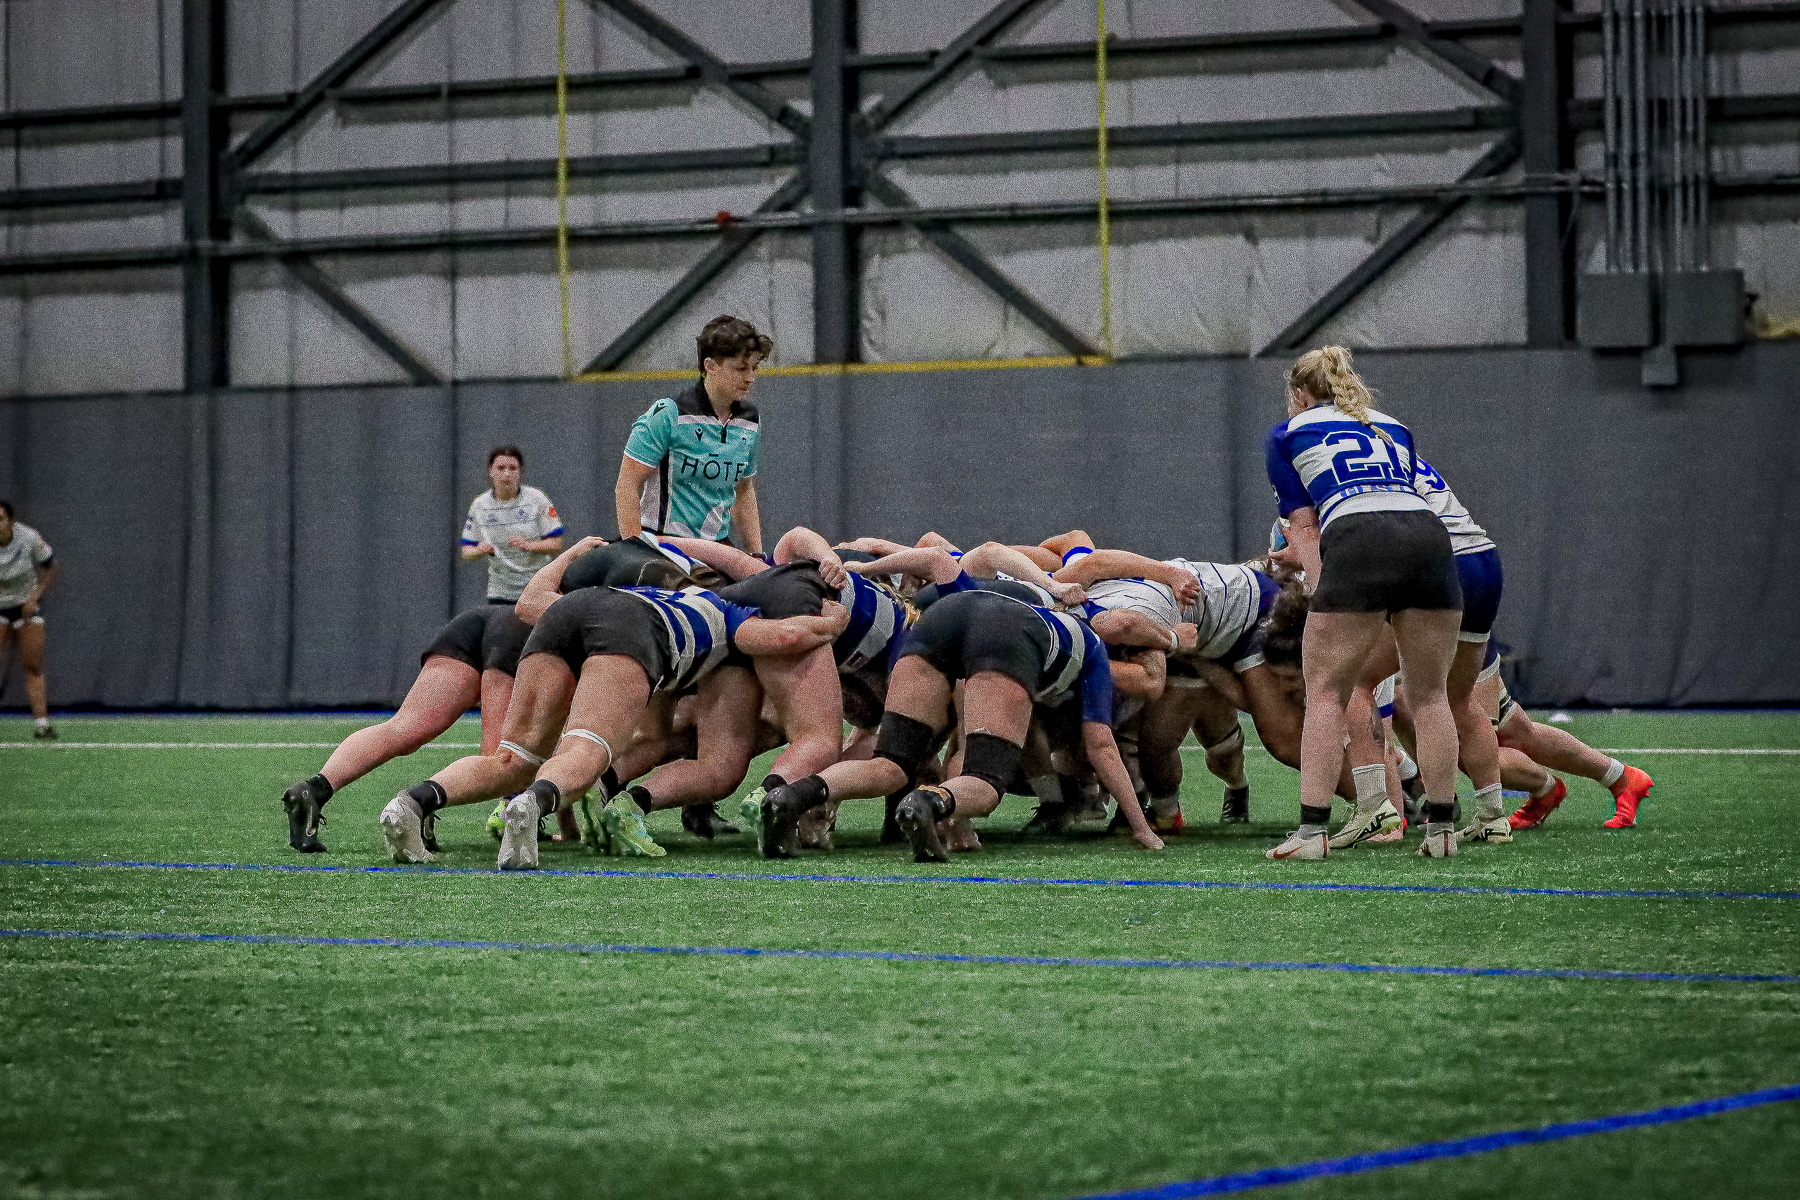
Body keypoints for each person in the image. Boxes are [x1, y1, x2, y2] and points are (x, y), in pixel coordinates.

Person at [378, 540, 847, 869]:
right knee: (586, 749)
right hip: (631, 630)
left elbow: (531, 602)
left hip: (571, 609)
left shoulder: (653, 584)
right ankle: (531, 804)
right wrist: (832, 625)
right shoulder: (727, 612)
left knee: (512, 757)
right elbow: (786, 634)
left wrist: (570, 553)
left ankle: (413, 804)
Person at [756, 587, 1171, 862]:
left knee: (892, 764)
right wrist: (1141, 826)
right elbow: (1100, 745)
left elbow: (959, 743)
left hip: (938, 618)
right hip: (1007, 637)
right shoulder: (1094, 651)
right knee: (987, 782)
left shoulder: (1042, 613)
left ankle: (793, 795)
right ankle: (930, 803)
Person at [1264, 345, 1464, 860]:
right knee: (1431, 694)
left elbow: (1304, 526)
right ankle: (1442, 830)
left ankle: (1312, 833)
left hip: (1358, 537)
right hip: (1428, 537)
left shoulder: (1288, 433)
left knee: (1327, 691)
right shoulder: (1392, 425)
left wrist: (1321, 584)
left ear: (1300, 395)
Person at [615, 315, 769, 551]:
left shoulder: (750, 421)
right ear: (710, 366)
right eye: (740, 368)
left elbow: (744, 490)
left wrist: (756, 553)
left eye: (754, 368)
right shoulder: (667, 414)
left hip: (718, 549)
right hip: (664, 545)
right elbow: (627, 484)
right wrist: (633, 553)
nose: (750, 378)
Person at [461, 445, 563, 602]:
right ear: (491, 471)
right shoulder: (480, 505)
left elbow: (556, 543)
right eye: (501, 468)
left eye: (512, 468)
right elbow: (466, 551)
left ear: (520, 472)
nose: (507, 474)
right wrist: (480, 549)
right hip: (501, 592)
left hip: (538, 588)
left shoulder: (537, 499)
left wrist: (529, 545)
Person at [0, 500, 58, 740]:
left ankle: (42, 725)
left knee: (32, 665)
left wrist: (34, 597)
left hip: (26, 605)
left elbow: (51, 567)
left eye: (1, 519)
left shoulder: (28, 537)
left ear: (10, 521)